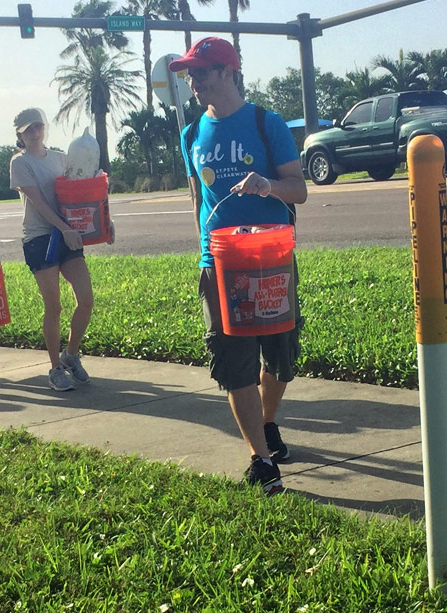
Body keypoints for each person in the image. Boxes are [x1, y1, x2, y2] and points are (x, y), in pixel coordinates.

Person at [171, 37, 308, 495]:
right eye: (190, 73)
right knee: (234, 361)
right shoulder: (191, 134)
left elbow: (299, 189)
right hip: (220, 264)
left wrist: (267, 185)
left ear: (229, 72)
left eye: (202, 71)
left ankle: (267, 423)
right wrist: (203, 255)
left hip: (269, 260)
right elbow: (199, 201)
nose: (194, 81)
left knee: (281, 358)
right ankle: (262, 460)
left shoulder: (266, 123)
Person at [9, 108, 107, 391]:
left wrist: (105, 222)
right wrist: (63, 228)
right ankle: (54, 367)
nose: (35, 133)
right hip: (40, 237)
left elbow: (86, 193)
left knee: (86, 299)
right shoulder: (20, 163)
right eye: (28, 129)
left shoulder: (62, 159)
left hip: (68, 234)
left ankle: (71, 354)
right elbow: (39, 202)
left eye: (38, 126)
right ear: (19, 134)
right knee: (53, 305)